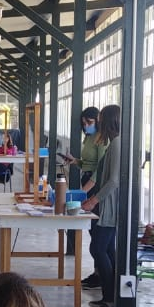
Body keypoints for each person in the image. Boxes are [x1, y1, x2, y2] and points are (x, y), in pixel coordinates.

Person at [81, 105, 121, 307]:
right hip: (107, 204)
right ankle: (113, 297)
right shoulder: (114, 143)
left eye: (100, 120)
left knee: (98, 248)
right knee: (107, 250)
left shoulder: (116, 144)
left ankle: (110, 299)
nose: (98, 124)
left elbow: (114, 180)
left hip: (110, 206)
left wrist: (94, 200)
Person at [62, 107, 108, 266]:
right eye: (84, 123)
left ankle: (100, 272)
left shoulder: (102, 139)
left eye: (89, 122)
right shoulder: (88, 138)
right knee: (91, 228)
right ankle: (98, 271)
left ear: (98, 120)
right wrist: (75, 161)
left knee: (97, 232)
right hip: (86, 179)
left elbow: (100, 169)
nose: (86, 125)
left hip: (95, 185)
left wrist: (84, 191)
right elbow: (88, 163)